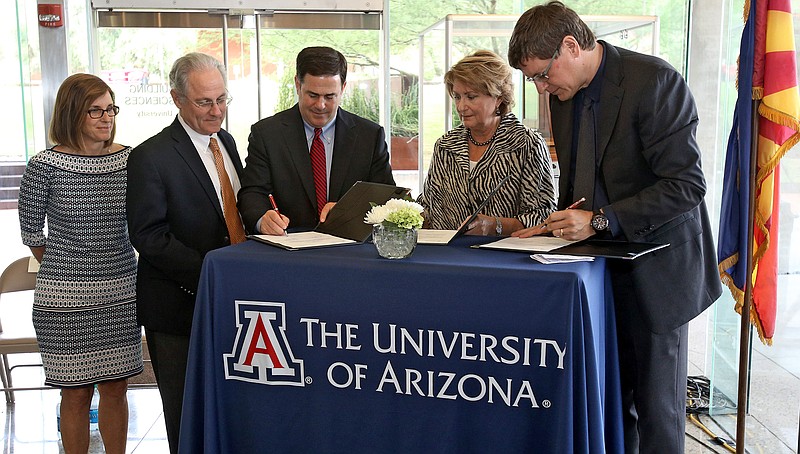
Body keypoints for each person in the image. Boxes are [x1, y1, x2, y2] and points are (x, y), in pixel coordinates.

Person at [508, 3, 722, 453]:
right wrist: (557, 224)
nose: (541, 88)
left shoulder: (655, 82)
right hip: (599, 270)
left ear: (571, 46)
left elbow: (686, 186)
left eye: (543, 75)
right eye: (534, 81)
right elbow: (583, 184)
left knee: (656, 408)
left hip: (658, 272)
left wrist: (602, 220)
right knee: (610, 401)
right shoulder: (564, 98)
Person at [17, 73, 143, 454]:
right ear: (73, 113)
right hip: (63, 301)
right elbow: (31, 234)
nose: (107, 118)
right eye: (95, 111)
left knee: (116, 387)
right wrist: (69, 268)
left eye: (110, 109)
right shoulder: (45, 165)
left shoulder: (130, 160)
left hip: (121, 293)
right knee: (75, 392)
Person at [126, 52, 245, 454]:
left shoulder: (225, 141)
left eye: (223, 99)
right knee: (184, 416)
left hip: (230, 300)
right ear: (177, 99)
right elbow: (149, 236)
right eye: (205, 102)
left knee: (227, 407)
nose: (217, 112)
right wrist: (212, 273)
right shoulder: (150, 156)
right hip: (178, 306)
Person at [238, 46, 395, 235]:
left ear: (343, 88)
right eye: (312, 95)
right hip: (287, 248)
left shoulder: (369, 136)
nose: (320, 105)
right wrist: (262, 218)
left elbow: (385, 198)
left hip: (350, 250)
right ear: (298, 84)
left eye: (330, 96)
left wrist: (348, 212)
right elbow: (252, 192)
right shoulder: (267, 134)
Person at [417, 50, 556, 235]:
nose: (461, 106)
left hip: (502, 256)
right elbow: (428, 205)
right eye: (457, 96)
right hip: (447, 255)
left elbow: (543, 215)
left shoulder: (527, 144)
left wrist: (496, 226)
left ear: (498, 97)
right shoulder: (446, 145)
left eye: (471, 97)